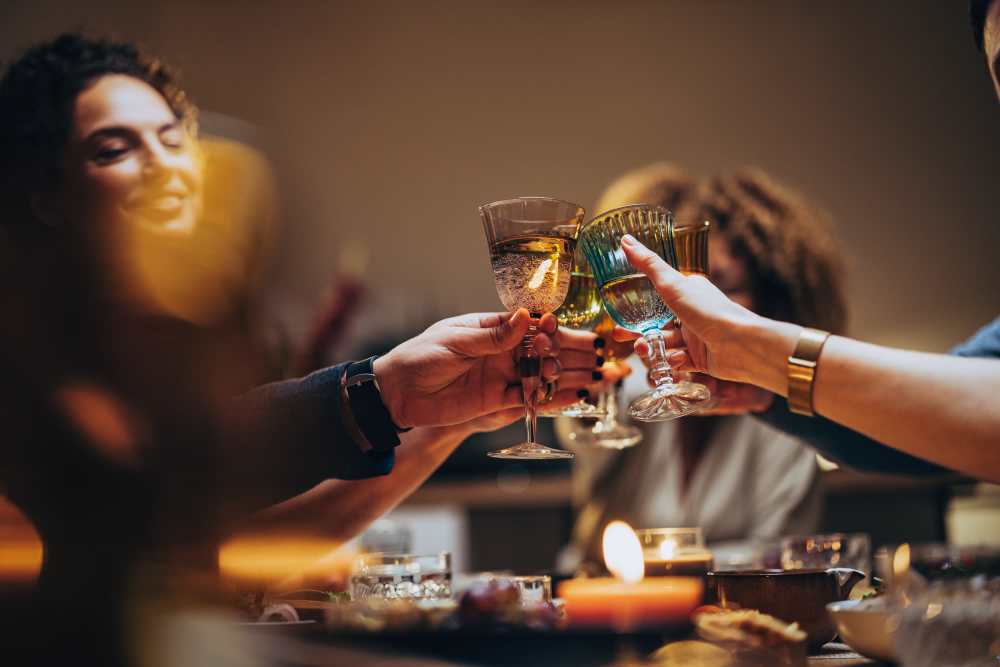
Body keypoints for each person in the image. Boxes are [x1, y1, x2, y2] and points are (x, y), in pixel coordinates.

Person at [0, 33, 618, 663]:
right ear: (44, 194)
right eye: (114, 149)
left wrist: (449, 420)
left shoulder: (168, 358)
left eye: (173, 139)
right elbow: (125, 527)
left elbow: (222, 550)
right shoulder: (31, 373)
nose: (166, 166)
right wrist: (381, 391)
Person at [561, 164, 849, 569]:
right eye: (681, 286)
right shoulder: (638, 378)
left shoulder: (782, 414)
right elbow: (585, 438)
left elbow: (780, 557)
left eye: (724, 286)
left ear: (771, 300)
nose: (699, 305)